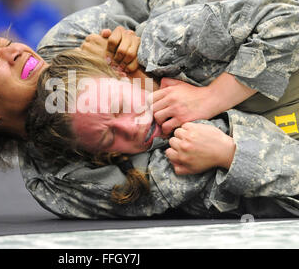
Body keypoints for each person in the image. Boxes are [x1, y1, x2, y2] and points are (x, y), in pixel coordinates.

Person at [0, 0, 299, 218]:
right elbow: (194, 177)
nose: (15, 50)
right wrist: (227, 148)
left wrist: (148, 43)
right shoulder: (61, 181)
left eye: (1, 41)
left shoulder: (68, 43)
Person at [26, 49, 299, 218]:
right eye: (109, 139)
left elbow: (283, 19)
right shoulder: (180, 164)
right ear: (104, 156)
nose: (131, 128)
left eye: (121, 107)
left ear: (122, 74)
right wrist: (229, 156)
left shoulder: (180, 54)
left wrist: (212, 98)